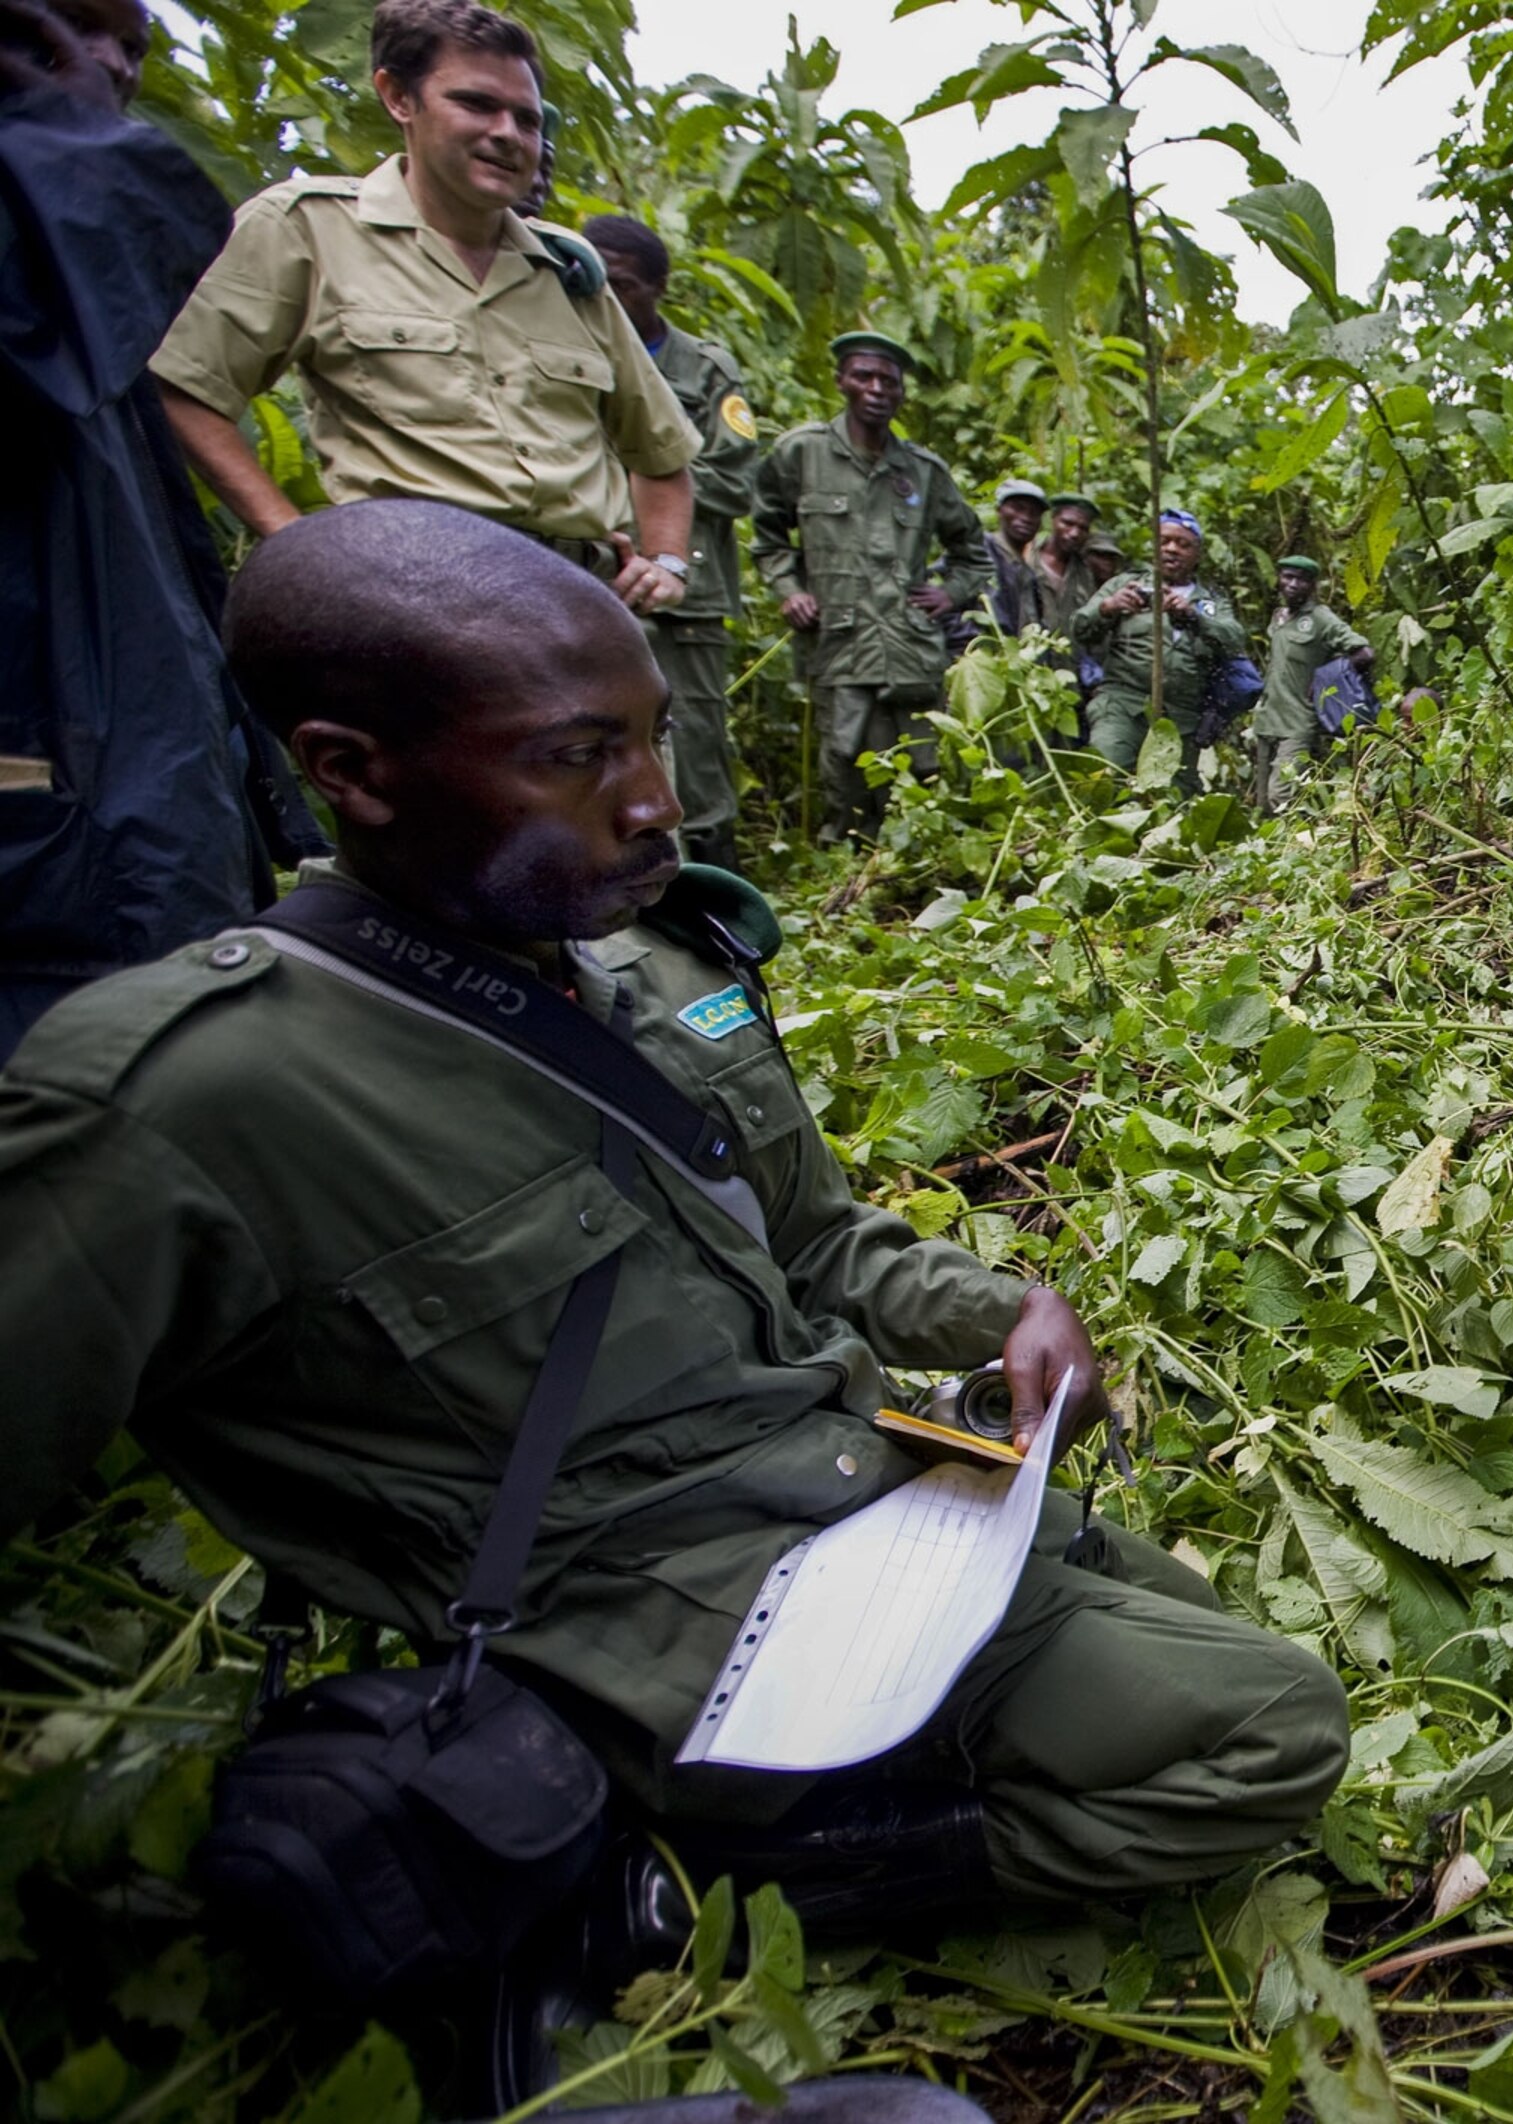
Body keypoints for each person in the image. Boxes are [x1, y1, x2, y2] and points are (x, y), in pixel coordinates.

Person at [0, 499, 1351, 2084]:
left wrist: (999, 1311)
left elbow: (820, 1247)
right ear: (350, 769)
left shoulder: (645, 974)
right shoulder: (183, 1098)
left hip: (842, 1489)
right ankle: (647, 1899)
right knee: (1272, 1727)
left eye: (649, 738)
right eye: (578, 758)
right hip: (629, 1627)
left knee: (1179, 1620)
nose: (658, 803)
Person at [147, 0, 698, 616]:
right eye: (475, 104)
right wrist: (291, 537)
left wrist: (668, 563)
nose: (507, 134)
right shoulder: (309, 227)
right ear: (398, 98)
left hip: (574, 607)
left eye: (527, 118)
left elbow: (662, 454)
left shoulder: (568, 269)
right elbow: (186, 387)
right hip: (405, 597)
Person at [0, 0, 319, 1059]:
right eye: (56, 30)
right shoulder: (46, 238)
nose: (106, 71)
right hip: (47, 868)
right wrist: (55, 133)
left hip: (117, 822)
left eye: (131, 45)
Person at [752, 330, 990, 841]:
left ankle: (910, 856)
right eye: (864, 376)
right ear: (842, 381)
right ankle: (841, 862)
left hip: (908, 643)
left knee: (920, 759)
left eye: (890, 380)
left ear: (902, 393)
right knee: (842, 757)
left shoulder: (924, 473)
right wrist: (789, 589)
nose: (878, 388)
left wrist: (950, 594)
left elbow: (974, 549)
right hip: (839, 638)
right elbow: (767, 535)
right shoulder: (802, 453)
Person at [585, 213, 758, 872]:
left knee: (699, 751)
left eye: (622, 284)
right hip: (586, 580)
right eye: (595, 277)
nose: (604, 295)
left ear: (657, 288)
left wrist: (637, 488)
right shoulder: (567, 350)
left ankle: (715, 892)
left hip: (686, 596)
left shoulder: (705, 369)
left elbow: (735, 480)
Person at [1068, 508, 1247, 777]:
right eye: (1164, 541)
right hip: (1122, 705)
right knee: (1106, 775)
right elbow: (1079, 629)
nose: (1172, 549)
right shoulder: (1126, 584)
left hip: (1182, 717)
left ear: (1197, 554)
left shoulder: (1210, 600)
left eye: (1183, 544)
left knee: (1175, 797)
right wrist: (1108, 607)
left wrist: (1193, 617)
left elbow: (1234, 640)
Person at [1253, 555, 1376, 815]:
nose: (1294, 584)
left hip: (1298, 721)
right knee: (1262, 802)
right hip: (1267, 718)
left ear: (1312, 585)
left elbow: (1364, 653)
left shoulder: (1321, 618)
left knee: (1282, 796)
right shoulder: (1279, 617)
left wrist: (1326, 678)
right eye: (1288, 577)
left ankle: (1298, 846)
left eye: (1302, 579)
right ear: (1279, 579)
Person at [984, 477, 1044, 634]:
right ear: (999, 510)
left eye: (1034, 513)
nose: (1026, 518)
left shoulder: (1026, 570)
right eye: (1018, 508)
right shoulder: (979, 551)